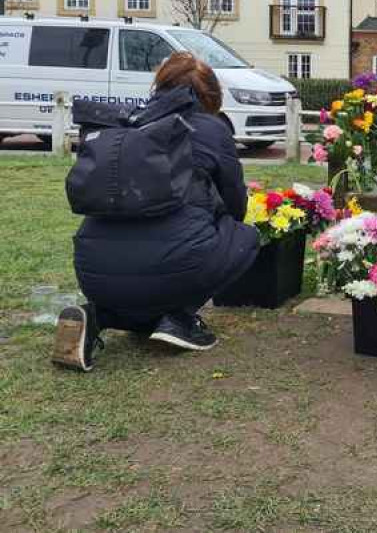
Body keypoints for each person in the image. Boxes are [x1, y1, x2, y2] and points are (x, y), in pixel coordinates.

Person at [52, 53, 259, 372]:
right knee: (244, 237)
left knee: (140, 266)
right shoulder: (211, 128)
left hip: (92, 271)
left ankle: (97, 315)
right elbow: (236, 206)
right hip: (176, 270)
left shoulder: (124, 124)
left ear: (159, 85)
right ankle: (178, 318)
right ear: (211, 94)